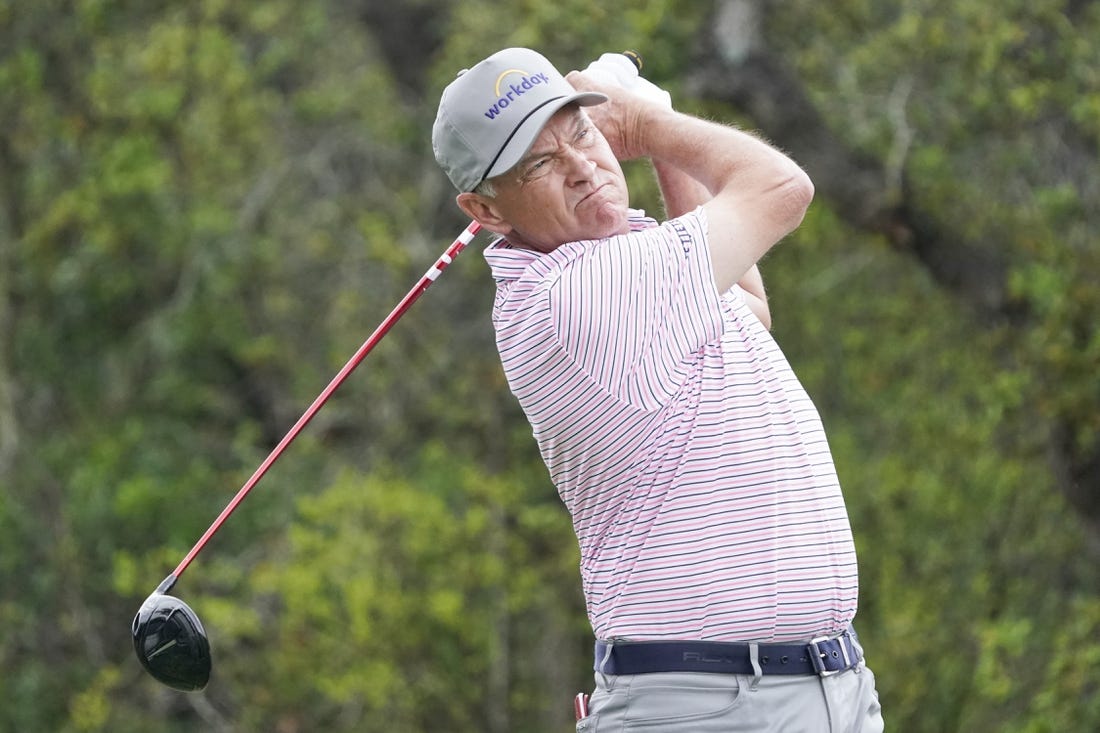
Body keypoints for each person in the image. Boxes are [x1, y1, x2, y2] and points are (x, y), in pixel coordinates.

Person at [432, 47, 884, 732]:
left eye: (581, 133)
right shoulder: (577, 296)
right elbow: (782, 188)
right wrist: (646, 127)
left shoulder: (628, 266)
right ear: (485, 210)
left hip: (821, 690)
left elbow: (747, 310)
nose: (584, 167)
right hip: (709, 704)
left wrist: (662, 146)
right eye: (541, 164)